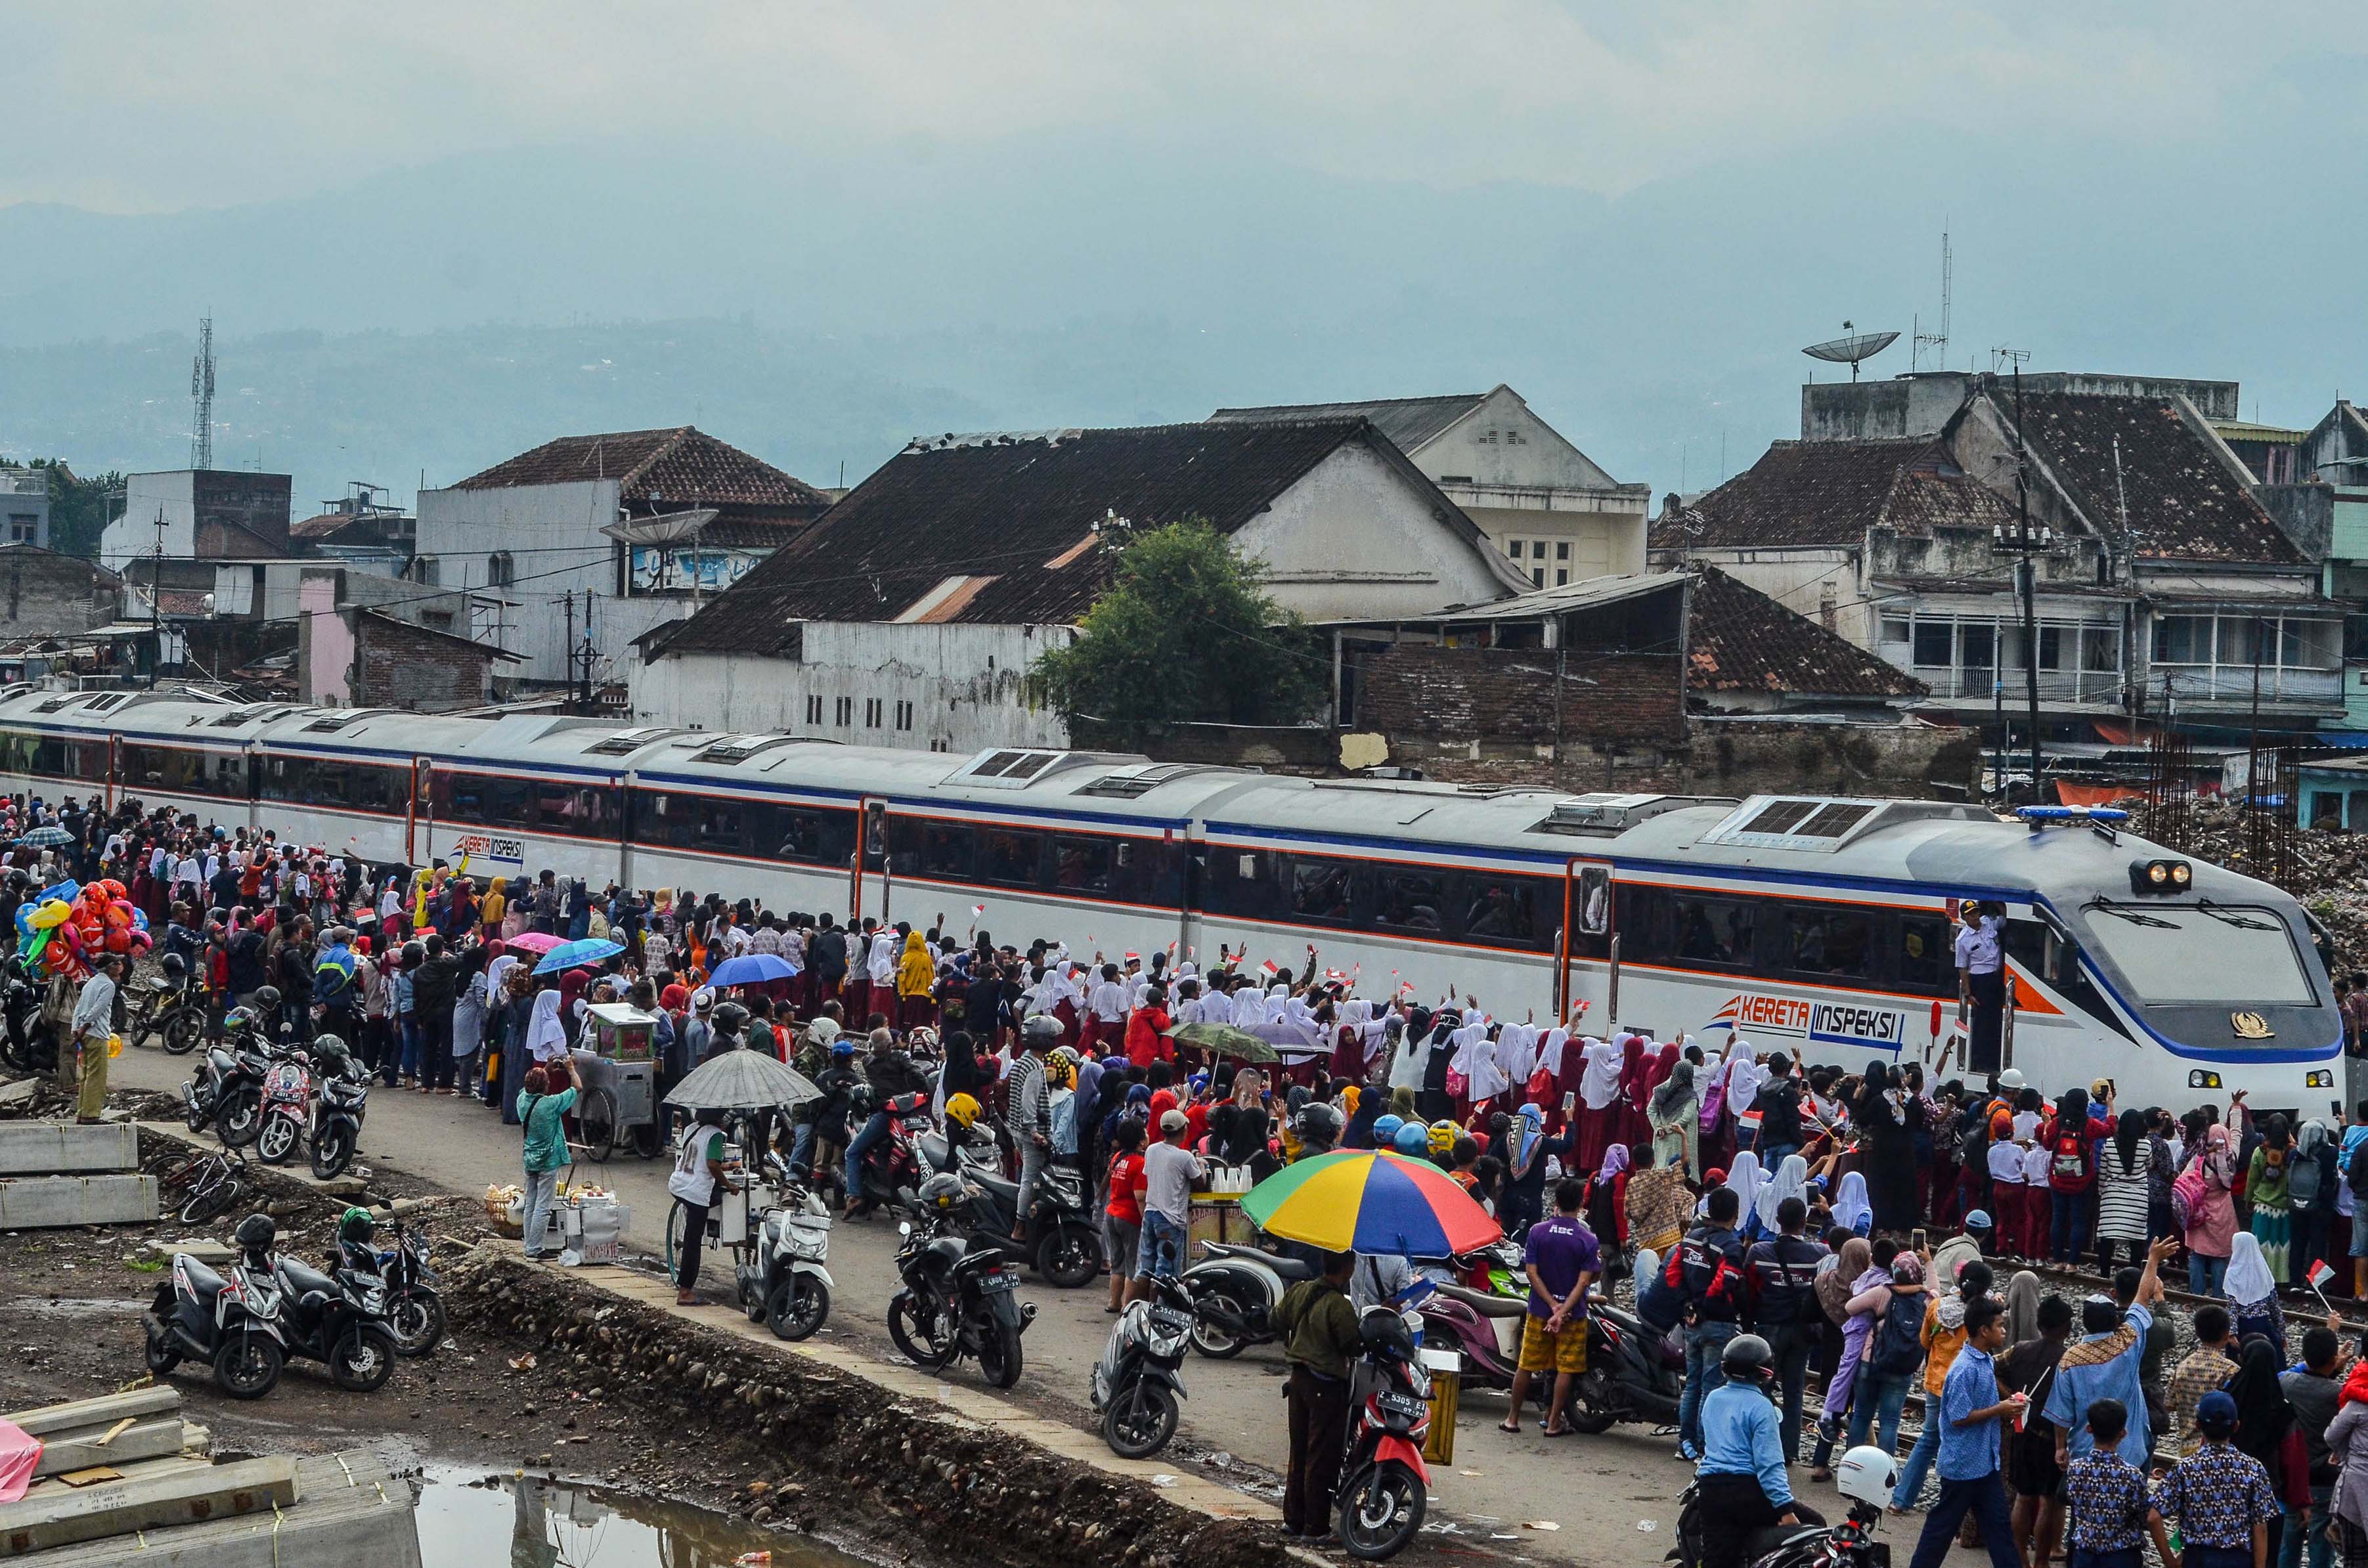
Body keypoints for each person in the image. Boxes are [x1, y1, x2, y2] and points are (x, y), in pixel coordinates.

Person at [1901, 1297, 2025, 1568]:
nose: (2004, 1331)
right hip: (1963, 1465)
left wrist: (2009, 1401)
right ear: (1984, 1330)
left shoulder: (1983, 1360)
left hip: (1984, 1463)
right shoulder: (1964, 1369)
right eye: (2000, 1326)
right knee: (1941, 1528)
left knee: (1999, 1527)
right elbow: (1958, 1418)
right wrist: (2000, 1410)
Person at [1694, 1334, 1825, 1568]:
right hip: (1748, 1493)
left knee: (1716, 1559)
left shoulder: (1713, 1398)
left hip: (1711, 1491)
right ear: (1765, 1372)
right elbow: (1770, 1466)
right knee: (1815, 1524)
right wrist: (1785, 1510)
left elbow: (1705, 1442)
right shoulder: (1762, 1408)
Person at [2046, 1236, 2175, 1470]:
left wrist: (2060, 1447)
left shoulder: (2070, 1359)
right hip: (2131, 1449)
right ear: (2116, 1319)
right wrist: (2153, 1259)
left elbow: (2062, 1413)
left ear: (2084, 1323)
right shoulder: (2129, 1341)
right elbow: (2143, 1296)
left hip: (2085, 1453)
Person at [1270, 1248, 1362, 1542]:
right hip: (1326, 1387)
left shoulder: (1300, 1292)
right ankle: (1316, 1527)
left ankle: (1293, 1521)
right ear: (1347, 1268)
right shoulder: (1339, 1306)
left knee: (1298, 1453)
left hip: (1298, 1382)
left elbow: (1275, 1320)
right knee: (1321, 1457)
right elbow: (1353, 1346)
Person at [1501, 1176, 1600, 1437]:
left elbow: (1532, 1273)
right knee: (1566, 1368)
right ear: (1581, 1204)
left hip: (1539, 1311)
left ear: (1555, 1202)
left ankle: (1512, 1418)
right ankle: (1553, 1422)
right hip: (1573, 1316)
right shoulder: (1587, 1239)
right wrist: (1563, 1309)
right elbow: (1584, 1281)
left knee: (1527, 1364)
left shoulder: (1537, 1231)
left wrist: (1552, 1305)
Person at [2155, 1390, 2283, 1568]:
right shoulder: (2253, 1468)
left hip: (2197, 1558)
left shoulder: (2185, 1468)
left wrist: (2170, 1561)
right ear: (2236, 1426)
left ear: (2198, 1425)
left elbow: (2153, 1517)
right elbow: (2260, 1526)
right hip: (2238, 1559)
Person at [1744, 1193, 1828, 1464]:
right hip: (1802, 1331)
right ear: (1805, 1222)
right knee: (1795, 1391)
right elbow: (1843, 1247)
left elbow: (1747, 1291)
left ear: (1778, 1221)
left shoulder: (1759, 1252)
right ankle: (1789, 1450)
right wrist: (1828, 1216)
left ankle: (1760, 1446)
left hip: (1768, 1327)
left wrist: (1748, 1324)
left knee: (1761, 1390)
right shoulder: (1819, 1255)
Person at [1675, 1185, 1750, 1462]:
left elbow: (1675, 1275)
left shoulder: (1690, 1239)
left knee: (1692, 1384)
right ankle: (1706, 1447)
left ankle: (1685, 1442)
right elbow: (1726, 1282)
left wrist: (1689, 1306)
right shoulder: (1731, 1246)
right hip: (1717, 1323)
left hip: (1691, 1322)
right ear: (1735, 1214)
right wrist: (1703, 1309)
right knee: (1712, 1386)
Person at [2002, 1292, 2075, 1567]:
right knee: (2049, 1501)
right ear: (2066, 1327)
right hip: (2052, 1438)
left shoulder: (2020, 1349)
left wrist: (2012, 1398)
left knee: (2023, 1496)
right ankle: (2041, 1562)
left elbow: (1993, 1368)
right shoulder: (2069, 1359)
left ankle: (2020, 1559)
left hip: (2023, 1432)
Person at [2062, 1399, 2178, 1568]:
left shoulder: (2075, 1469)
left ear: (2089, 1429)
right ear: (2123, 1433)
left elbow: (2071, 1498)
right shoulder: (2132, 1475)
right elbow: (2143, 1515)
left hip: (2085, 1553)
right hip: (2121, 1555)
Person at [2279, 1325, 2344, 1568]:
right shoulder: (2338, 1393)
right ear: (2333, 1359)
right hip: (2325, 1479)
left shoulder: (2288, 1383)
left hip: (2292, 1479)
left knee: (2289, 1543)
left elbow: (2288, 1374)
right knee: (2322, 1544)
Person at [517, 1055, 582, 1261]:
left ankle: (530, 1245)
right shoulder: (551, 1104)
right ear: (545, 1087)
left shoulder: (522, 1100)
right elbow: (578, 1088)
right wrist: (570, 1069)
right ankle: (535, 1249)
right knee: (543, 1207)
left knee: (531, 1203)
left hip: (529, 1158)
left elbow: (532, 1085)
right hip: (548, 1161)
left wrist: (545, 1069)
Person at [1136, 1110, 1204, 1294]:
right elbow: (1200, 1184)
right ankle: (1156, 1312)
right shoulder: (1185, 1157)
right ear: (1183, 1130)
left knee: (1145, 1269)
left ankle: (1139, 1308)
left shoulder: (1151, 1150)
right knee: (1165, 1273)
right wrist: (1201, 1165)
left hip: (1150, 1214)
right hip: (1170, 1220)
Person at [669, 1108, 730, 1305]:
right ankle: (685, 1292)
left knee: (692, 1234)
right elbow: (712, 1165)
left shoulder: (691, 1129)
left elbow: (700, 1157)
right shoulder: (716, 1135)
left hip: (679, 1184)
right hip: (695, 1191)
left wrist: (723, 1167)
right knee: (693, 1242)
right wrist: (729, 1184)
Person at [2170, 1303, 2243, 1461]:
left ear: (2197, 1333)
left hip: (2186, 1450)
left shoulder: (2182, 1367)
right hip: (2220, 1451)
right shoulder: (2230, 1370)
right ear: (2226, 1334)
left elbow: (2169, 1404)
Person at [69, 952, 123, 1123]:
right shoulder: (108, 985)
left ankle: (82, 1112)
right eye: (116, 963)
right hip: (96, 1033)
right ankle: (91, 1115)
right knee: (97, 1075)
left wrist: (75, 1029)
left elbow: (79, 1007)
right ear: (110, 967)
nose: (120, 966)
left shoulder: (91, 982)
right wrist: (84, 1027)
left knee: (85, 1074)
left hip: (83, 1033)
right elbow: (97, 1009)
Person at [1102, 1119, 1147, 1314]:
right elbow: (1140, 1197)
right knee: (1132, 1266)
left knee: (1117, 1263)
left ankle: (1114, 1302)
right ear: (1141, 1141)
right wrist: (1145, 1221)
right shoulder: (1140, 1163)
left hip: (1112, 1214)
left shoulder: (1118, 1157)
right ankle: (1128, 1308)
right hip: (1130, 1218)